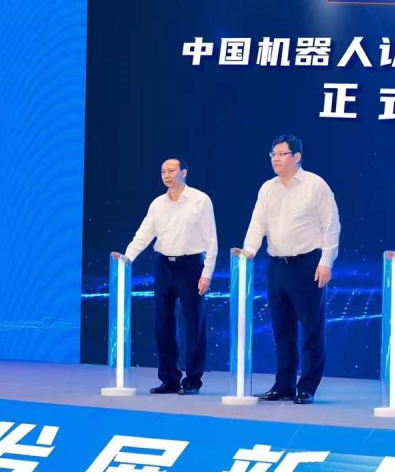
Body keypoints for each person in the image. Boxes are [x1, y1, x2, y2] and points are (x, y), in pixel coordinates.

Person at [240, 135, 340, 405]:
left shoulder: (315, 185)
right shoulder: (267, 188)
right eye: (273, 154)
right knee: (281, 329)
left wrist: (326, 262)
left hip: (308, 265)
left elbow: (331, 226)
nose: (275, 158)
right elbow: (257, 223)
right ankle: (283, 385)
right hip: (277, 266)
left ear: (296, 157)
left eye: (282, 154)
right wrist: (248, 251)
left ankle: (307, 387)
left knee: (311, 329)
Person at [118, 158, 217, 396]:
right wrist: (127, 258)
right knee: (163, 325)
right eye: (163, 171)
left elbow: (211, 240)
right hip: (163, 266)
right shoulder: (157, 204)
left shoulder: (200, 200)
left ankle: (192, 380)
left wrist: (207, 273)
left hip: (191, 266)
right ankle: (169, 379)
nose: (166, 175)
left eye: (171, 170)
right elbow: (143, 235)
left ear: (184, 172)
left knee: (194, 324)